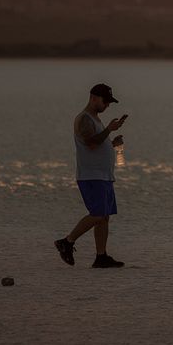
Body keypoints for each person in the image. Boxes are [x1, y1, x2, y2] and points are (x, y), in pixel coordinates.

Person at [54, 83, 128, 268]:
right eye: (105, 101)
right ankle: (67, 242)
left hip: (104, 176)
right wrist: (109, 129)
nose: (107, 105)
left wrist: (112, 143)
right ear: (94, 98)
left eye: (109, 102)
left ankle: (101, 256)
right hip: (91, 176)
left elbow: (98, 144)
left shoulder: (96, 119)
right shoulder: (84, 119)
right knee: (98, 214)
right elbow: (91, 143)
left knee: (104, 217)